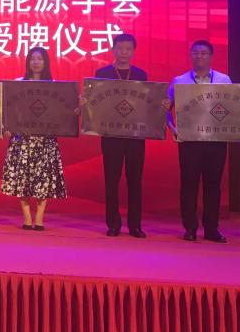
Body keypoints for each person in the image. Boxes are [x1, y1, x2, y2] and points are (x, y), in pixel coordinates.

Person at [90, 33, 169, 238]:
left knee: (135, 180)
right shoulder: (102, 73)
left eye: (128, 49)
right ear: (113, 50)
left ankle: (135, 225)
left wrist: (161, 105)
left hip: (135, 136)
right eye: (120, 48)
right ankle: (113, 224)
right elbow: (96, 104)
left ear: (133, 51)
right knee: (111, 180)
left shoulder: (141, 75)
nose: (124, 52)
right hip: (111, 135)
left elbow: (147, 104)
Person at [167, 39, 232, 243]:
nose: (199, 56)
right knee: (189, 183)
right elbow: (166, 108)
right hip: (189, 141)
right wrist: (173, 128)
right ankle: (190, 228)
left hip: (216, 140)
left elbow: (232, 109)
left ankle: (212, 229)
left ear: (211, 56)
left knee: (213, 184)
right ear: (190, 56)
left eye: (204, 53)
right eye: (195, 53)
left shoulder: (224, 79)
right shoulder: (179, 80)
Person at [1, 47, 67, 231]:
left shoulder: (54, 86)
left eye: (40, 59)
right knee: (23, 179)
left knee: (42, 180)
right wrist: (7, 127)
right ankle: (26, 218)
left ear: (46, 62)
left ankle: (39, 219)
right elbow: (8, 110)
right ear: (27, 62)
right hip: (22, 140)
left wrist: (77, 109)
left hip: (45, 141)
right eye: (32, 59)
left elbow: (62, 113)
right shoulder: (17, 84)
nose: (36, 62)